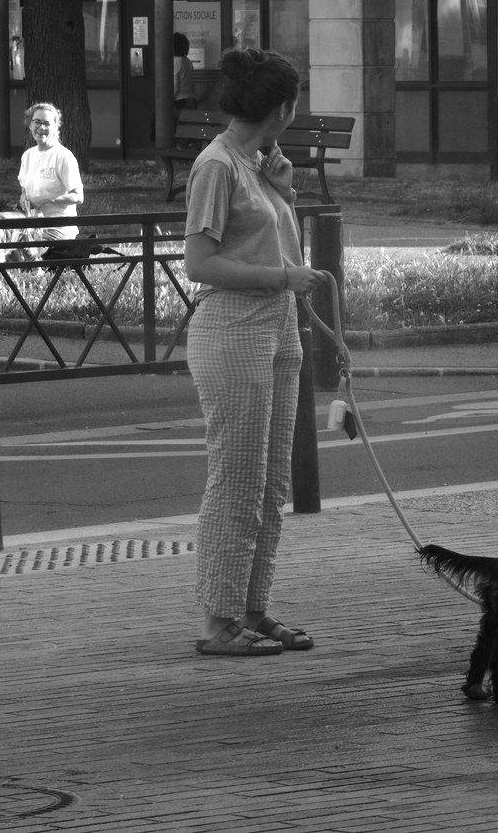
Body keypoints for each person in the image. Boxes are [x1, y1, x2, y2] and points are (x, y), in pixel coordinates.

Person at [182, 47, 324, 656]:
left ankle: (250, 607)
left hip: (277, 331)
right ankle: (217, 621)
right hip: (233, 332)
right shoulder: (216, 166)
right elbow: (200, 263)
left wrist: (283, 196)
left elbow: (272, 243)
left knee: (270, 485)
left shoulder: (257, 164)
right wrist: (280, 279)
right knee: (236, 479)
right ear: (283, 109)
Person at [16, 103, 83, 243]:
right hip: (32, 226)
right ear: (30, 125)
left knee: (20, 246)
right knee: (2, 238)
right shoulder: (27, 156)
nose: (41, 128)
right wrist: (24, 199)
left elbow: (78, 196)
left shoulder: (64, 156)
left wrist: (47, 199)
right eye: (37, 122)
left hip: (59, 228)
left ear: (55, 127)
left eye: (47, 123)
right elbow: (24, 190)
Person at [173, 33, 197, 112]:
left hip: (179, 101)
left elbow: (175, 84)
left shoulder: (176, 61)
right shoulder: (187, 61)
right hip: (190, 99)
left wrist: (168, 100)